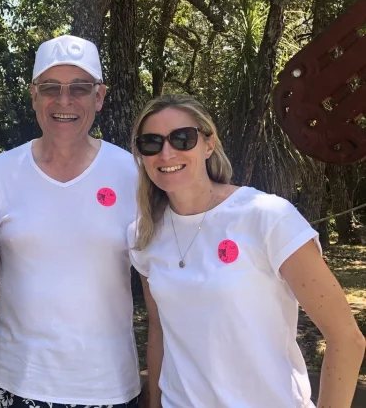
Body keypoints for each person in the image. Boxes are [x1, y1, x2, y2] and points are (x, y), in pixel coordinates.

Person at [128, 94, 366, 407]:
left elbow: (346, 338)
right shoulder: (144, 235)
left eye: (182, 138)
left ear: (209, 144)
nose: (167, 152)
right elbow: (159, 331)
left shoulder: (266, 217)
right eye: (151, 143)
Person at [0, 34, 142, 408]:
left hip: (109, 386)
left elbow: (158, 298)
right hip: (17, 384)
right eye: (50, 88)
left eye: (79, 88)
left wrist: (156, 391)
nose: (64, 101)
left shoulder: (134, 174)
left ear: (99, 96)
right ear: (33, 96)